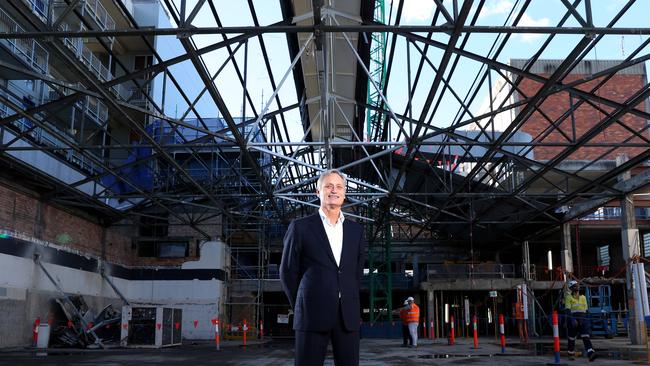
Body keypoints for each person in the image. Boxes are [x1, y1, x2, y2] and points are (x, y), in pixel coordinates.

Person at [280, 169, 366, 366]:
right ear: (318, 192)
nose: (333, 190)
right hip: (311, 313)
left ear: (344, 193)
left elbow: (356, 273)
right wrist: (303, 304)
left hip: (347, 316)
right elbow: (287, 272)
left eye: (338, 187)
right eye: (328, 186)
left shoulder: (356, 231)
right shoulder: (300, 227)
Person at [564, 280, 597, 361]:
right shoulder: (568, 297)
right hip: (573, 319)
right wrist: (572, 320)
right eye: (575, 286)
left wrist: (585, 320)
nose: (577, 287)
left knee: (586, 336)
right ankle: (570, 354)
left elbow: (585, 310)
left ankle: (591, 353)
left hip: (583, 318)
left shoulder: (583, 297)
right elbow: (568, 310)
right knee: (572, 338)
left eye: (577, 285)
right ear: (571, 288)